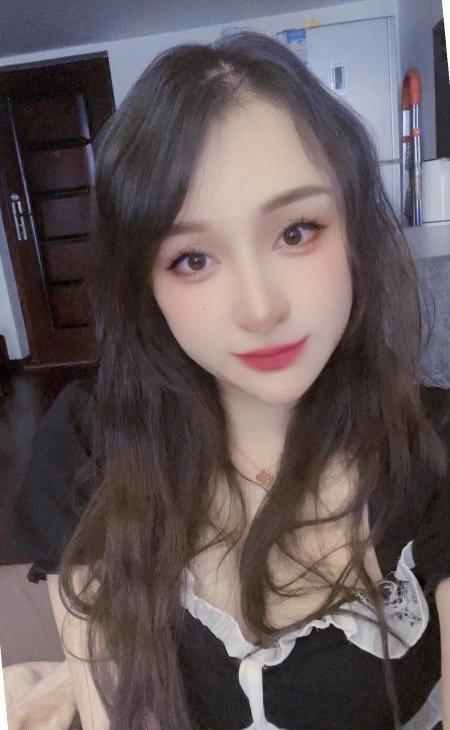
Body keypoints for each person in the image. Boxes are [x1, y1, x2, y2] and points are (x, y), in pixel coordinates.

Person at [11, 30, 450, 730]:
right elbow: (114, 711)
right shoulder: (90, 446)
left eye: (296, 231)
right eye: (193, 259)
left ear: (353, 229)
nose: (260, 309)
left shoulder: (433, 449)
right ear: (144, 285)